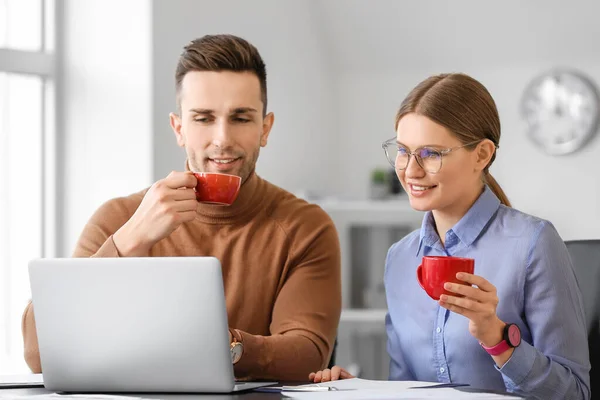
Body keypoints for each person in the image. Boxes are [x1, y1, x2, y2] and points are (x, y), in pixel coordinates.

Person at [22, 34, 341, 381]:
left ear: (265, 128)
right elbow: (38, 353)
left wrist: (226, 345)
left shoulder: (305, 226)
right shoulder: (118, 218)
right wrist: (128, 242)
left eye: (241, 118)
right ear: (179, 128)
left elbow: (307, 353)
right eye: (204, 118)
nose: (222, 138)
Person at [309, 73, 590, 400]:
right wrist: (355, 389)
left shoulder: (533, 243)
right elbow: (406, 388)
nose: (410, 171)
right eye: (403, 151)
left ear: (482, 155)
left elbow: (575, 393)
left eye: (430, 154)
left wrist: (497, 339)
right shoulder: (400, 258)